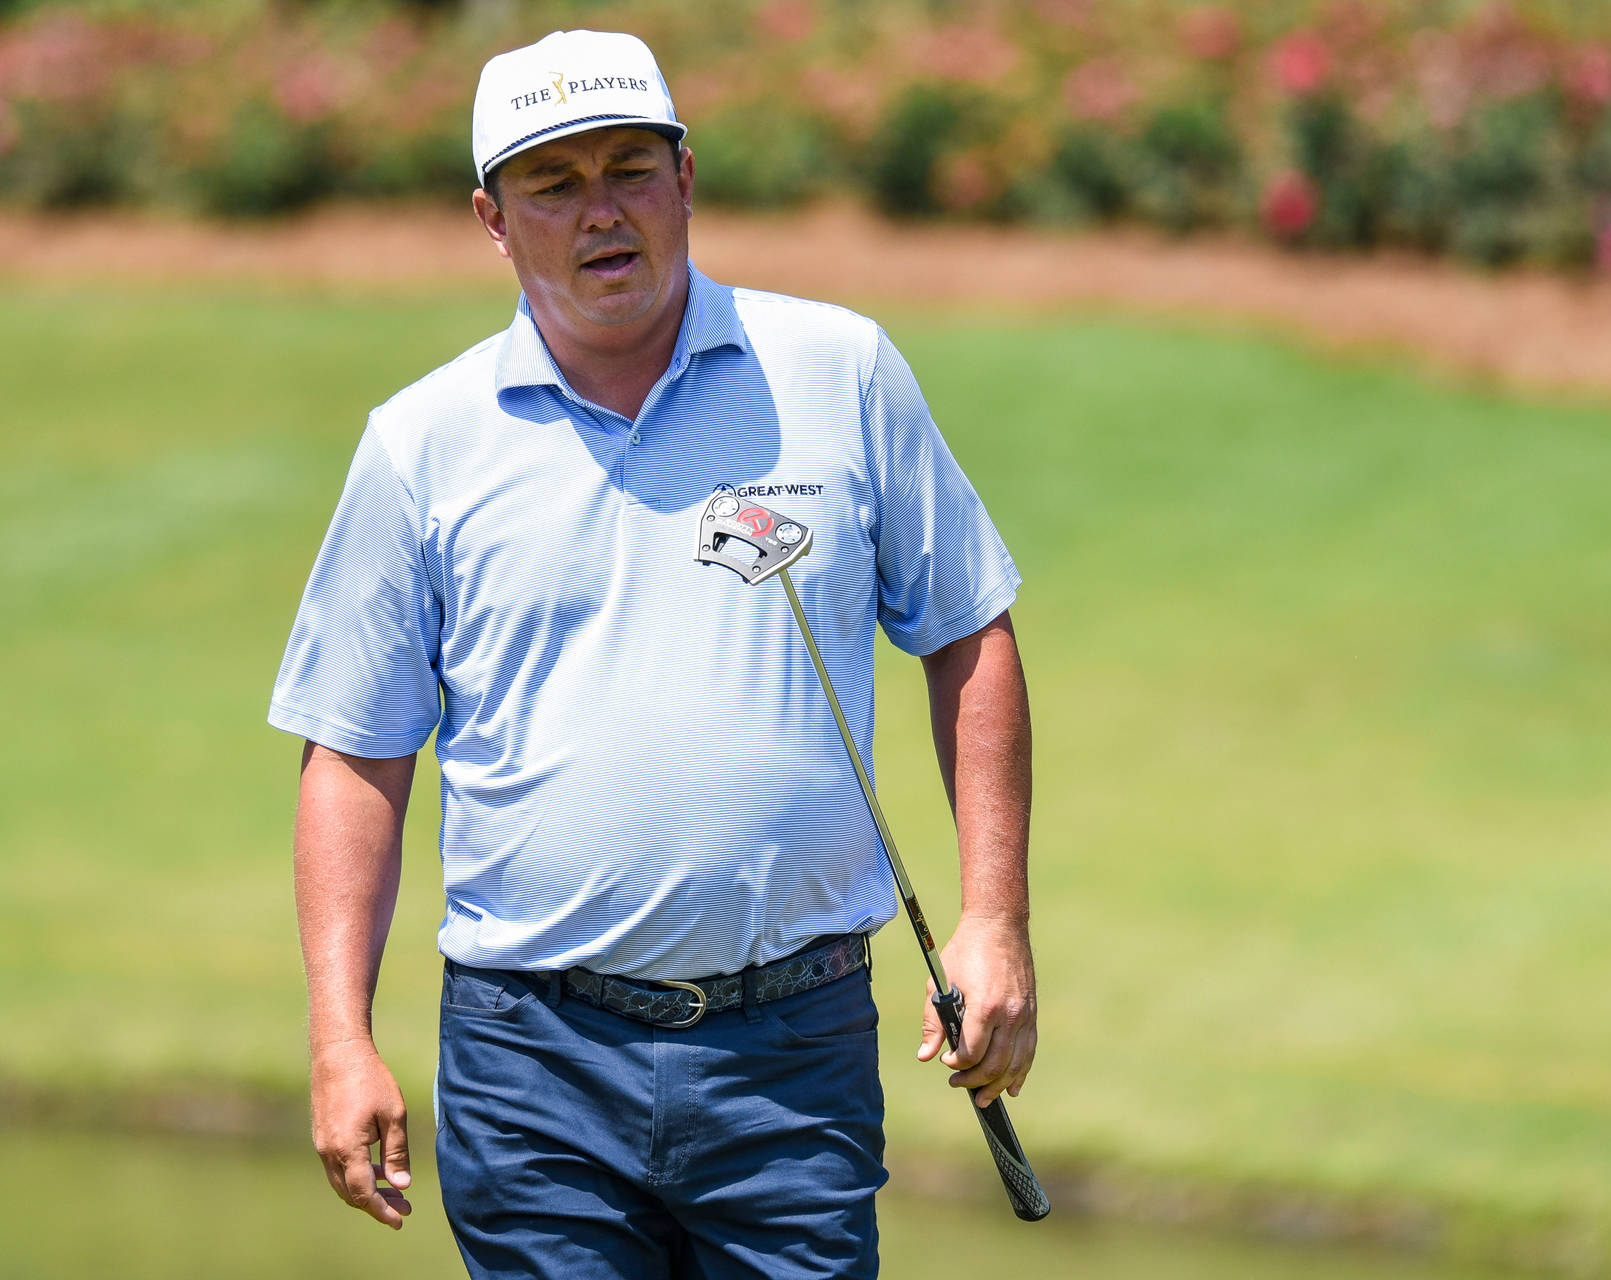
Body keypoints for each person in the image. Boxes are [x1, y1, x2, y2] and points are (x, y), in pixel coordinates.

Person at [266, 27, 1037, 1279]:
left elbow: (966, 631)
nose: (600, 213)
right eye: (553, 186)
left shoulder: (836, 371)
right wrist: (337, 1036)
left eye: (630, 170)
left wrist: (994, 916)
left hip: (792, 1045)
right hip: (535, 1062)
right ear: (492, 219)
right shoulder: (422, 445)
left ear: (686, 179)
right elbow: (356, 751)